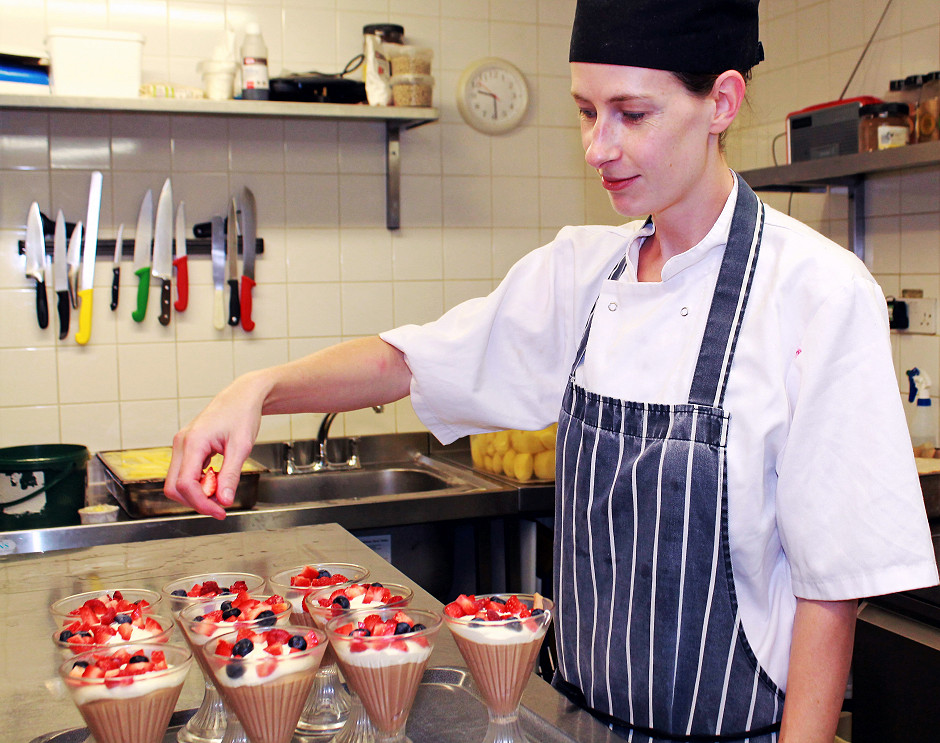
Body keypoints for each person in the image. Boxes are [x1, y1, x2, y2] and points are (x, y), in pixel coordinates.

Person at [165, 1, 939, 740]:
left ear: (723, 102)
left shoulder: (817, 294)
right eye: (585, 110)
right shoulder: (583, 273)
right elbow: (408, 359)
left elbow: (830, 592)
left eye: (631, 113)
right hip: (576, 725)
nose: (597, 146)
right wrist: (258, 389)